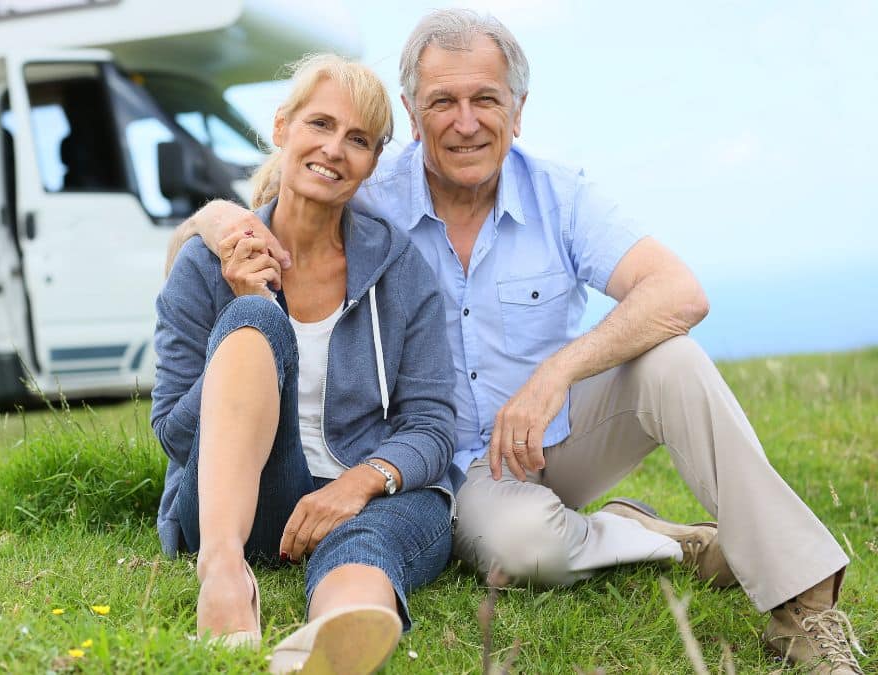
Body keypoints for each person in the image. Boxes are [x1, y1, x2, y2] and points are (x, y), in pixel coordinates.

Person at [166, 10, 863, 674]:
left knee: (673, 358)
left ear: (518, 110)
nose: (465, 123)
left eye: (486, 100)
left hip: (555, 435)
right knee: (523, 547)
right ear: (411, 116)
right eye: (442, 102)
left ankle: (803, 600)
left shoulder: (560, 198)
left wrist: (558, 372)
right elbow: (272, 194)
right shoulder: (373, 191)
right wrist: (224, 225)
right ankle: (655, 542)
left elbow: (681, 292)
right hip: (459, 471)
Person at [151, 53, 459, 675]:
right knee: (255, 319)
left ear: (373, 162)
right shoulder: (205, 266)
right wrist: (245, 320)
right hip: (241, 508)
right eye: (319, 124)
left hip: (365, 497)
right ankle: (224, 575)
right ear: (283, 128)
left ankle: (329, 641)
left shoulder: (400, 269)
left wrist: (359, 481)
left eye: (359, 140)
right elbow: (174, 434)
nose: (334, 150)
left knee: (370, 536)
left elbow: (432, 424)